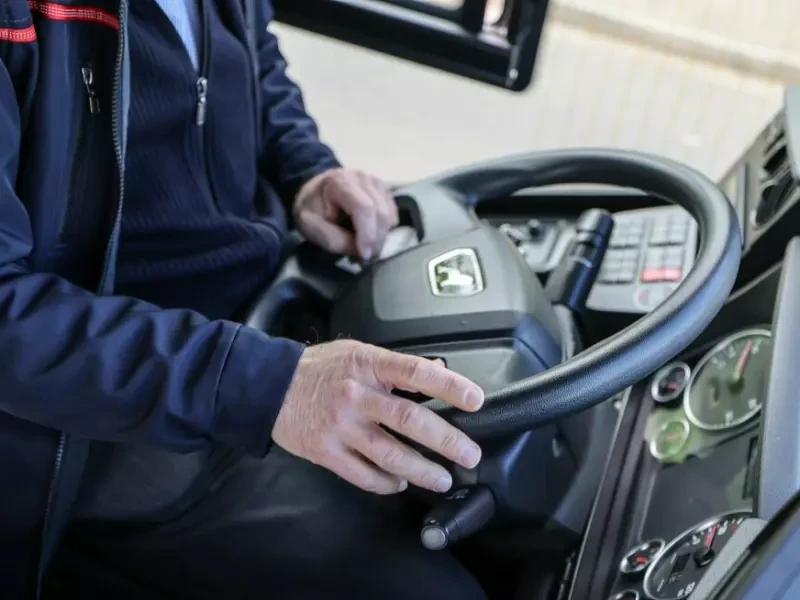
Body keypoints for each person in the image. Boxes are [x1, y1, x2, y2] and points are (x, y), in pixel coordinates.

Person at [0, 0, 488, 597]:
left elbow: (252, 62)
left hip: (263, 319)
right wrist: (261, 383)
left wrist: (306, 172)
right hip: (107, 418)